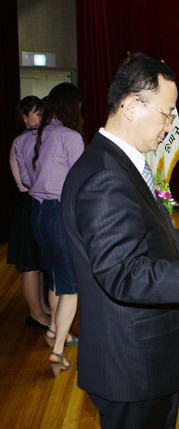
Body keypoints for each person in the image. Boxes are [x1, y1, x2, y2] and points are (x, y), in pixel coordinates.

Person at [61, 52, 179, 429]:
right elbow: (126, 275)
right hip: (133, 366)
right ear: (131, 106)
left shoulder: (117, 164)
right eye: (167, 113)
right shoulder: (105, 178)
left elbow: (155, 240)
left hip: (142, 361)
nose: (169, 126)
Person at [14, 83, 84, 377]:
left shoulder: (28, 139)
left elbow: (27, 181)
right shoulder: (70, 137)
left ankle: (56, 330)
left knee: (55, 277)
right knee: (72, 286)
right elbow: (80, 182)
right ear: (71, 107)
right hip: (59, 213)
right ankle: (57, 352)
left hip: (37, 214)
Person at [7, 96, 50, 329]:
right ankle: (35, 313)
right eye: (37, 114)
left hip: (35, 204)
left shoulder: (36, 138)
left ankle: (41, 308)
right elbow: (28, 180)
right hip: (28, 205)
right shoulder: (22, 141)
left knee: (39, 264)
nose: (41, 118)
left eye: (43, 114)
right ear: (25, 118)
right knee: (30, 266)